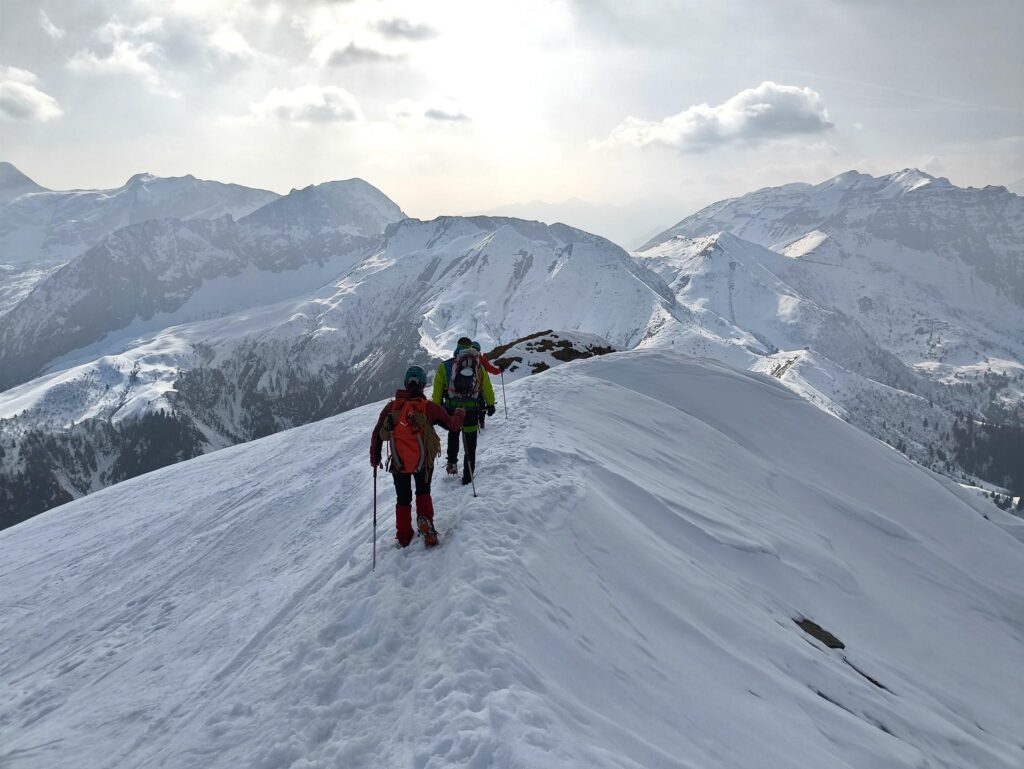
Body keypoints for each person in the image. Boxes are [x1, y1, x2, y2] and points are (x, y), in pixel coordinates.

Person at [370, 366, 464, 547]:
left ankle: (404, 536)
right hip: (423, 462)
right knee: (423, 492)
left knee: (403, 499)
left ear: (406, 384)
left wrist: (375, 459)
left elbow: (377, 434)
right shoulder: (428, 407)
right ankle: (425, 524)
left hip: (398, 463)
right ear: (422, 385)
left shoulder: (391, 407)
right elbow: (452, 425)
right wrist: (459, 413)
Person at [432, 336, 496, 485]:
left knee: (453, 433)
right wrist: (491, 404)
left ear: (457, 346)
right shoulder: (478, 366)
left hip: (452, 410)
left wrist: (435, 410)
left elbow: (437, 392)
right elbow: (486, 388)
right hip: (472, 411)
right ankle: (468, 476)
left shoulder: (445, 366)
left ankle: (452, 463)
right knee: (470, 443)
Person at [471, 340, 502, 429]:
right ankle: (481, 421)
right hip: (480, 386)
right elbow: (490, 369)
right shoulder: (481, 359)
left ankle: (470, 422)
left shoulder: (463, 359)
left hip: (467, 388)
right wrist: (499, 370)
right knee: (481, 403)